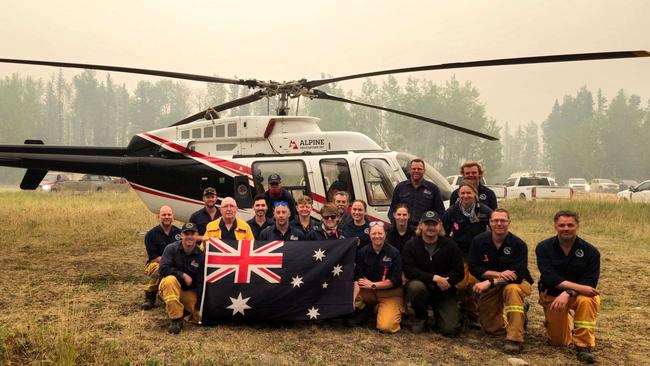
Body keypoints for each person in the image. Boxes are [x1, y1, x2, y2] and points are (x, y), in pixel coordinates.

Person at [536, 211, 601, 364]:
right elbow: (549, 278)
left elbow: (590, 283)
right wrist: (570, 290)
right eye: (562, 225)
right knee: (559, 341)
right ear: (555, 226)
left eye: (570, 225)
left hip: (579, 296)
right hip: (552, 296)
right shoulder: (543, 247)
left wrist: (568, 292)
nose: (566, 228)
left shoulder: (591, 252)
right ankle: (563, 323)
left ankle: (583, 345)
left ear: (577, 226)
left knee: (588, 300)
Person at [469, 208, 534, 354]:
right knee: (491, 328)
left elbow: (517, 275)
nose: (499, 223)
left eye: (503, 220)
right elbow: (474, 268)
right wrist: (499, 274)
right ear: (490, 223)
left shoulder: (519, 244)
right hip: (494, 282)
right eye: (495, 220)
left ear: (509, 223)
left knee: (512, 290)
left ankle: (514, 338)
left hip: (518, 283)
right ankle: (519, 315)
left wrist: (491, 281)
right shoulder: (478, 241)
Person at [402, 211, 464, 336]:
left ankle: (446, 315)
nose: (431, 227)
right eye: (427, 223)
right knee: (415, 287)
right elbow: (409, 270)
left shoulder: (450, 245)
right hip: (422, 288)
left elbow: (459, 272)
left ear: (440, 226)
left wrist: (448, 282)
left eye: (434, 224)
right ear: (420, 226)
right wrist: (434, 278)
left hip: (444, 291)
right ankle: (421, 317)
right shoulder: (411, 245)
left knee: (450, 330)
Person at [442, 181, 493, 327]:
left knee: (480, 283)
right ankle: (470, 313)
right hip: (460, 254)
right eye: (462, 193)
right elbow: (444, 234)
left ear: (475, 195)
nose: (465, 196)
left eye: (469, 193)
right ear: (458, 195)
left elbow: (495, 230)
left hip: (480, 254)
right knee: (463, 285)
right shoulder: (452, 212)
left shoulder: (485, 211)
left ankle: (483, 312)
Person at [353, 222, 403, 333]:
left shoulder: (394, 253)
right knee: (350, 294)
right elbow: (358, 277)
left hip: (389, 294)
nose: (377, 236)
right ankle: (368, 309)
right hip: (368, 292)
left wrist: (374, 285)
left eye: (380, 233)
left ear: (385, 234)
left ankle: (392, 309)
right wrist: (353, 299)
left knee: (386, 327)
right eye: (374, 233)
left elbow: (396, 280)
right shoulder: (362, 252)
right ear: (369, 235)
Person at [158, 222, 204, 334]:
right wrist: (182, 275)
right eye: (186, 233)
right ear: (181, 235)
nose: (189, 236)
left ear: (197, 235)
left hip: (186, 291)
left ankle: (180, 308)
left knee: (200, 316)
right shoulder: (171, 248)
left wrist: (198, 305)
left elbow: (200, 281)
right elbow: (163, 269)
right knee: (170, 280)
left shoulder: (201, 255)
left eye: (192, 234)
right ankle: (176, 320)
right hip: (168, 287)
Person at [141, 205, 181, 310]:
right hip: (155, 264)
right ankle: (150, 295)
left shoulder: (180, 233)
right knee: (161, 269)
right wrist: (172, 262)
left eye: (169, 214)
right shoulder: (150, 235)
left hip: (175, 263)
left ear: (173, 217)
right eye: (164, 214)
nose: (166, 217)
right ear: (158, 217)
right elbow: (154, 258)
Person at [389, 158, 445, 226]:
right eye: (414, 168)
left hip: (424, 231)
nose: (416, 171)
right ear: (410, 170)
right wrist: (397, 226)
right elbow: (392, 211)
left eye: (419, 169)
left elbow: (440, 212)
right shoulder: (400, 187)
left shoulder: (433, 189)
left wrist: (432, 227)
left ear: (424, 171)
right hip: (405, 230)